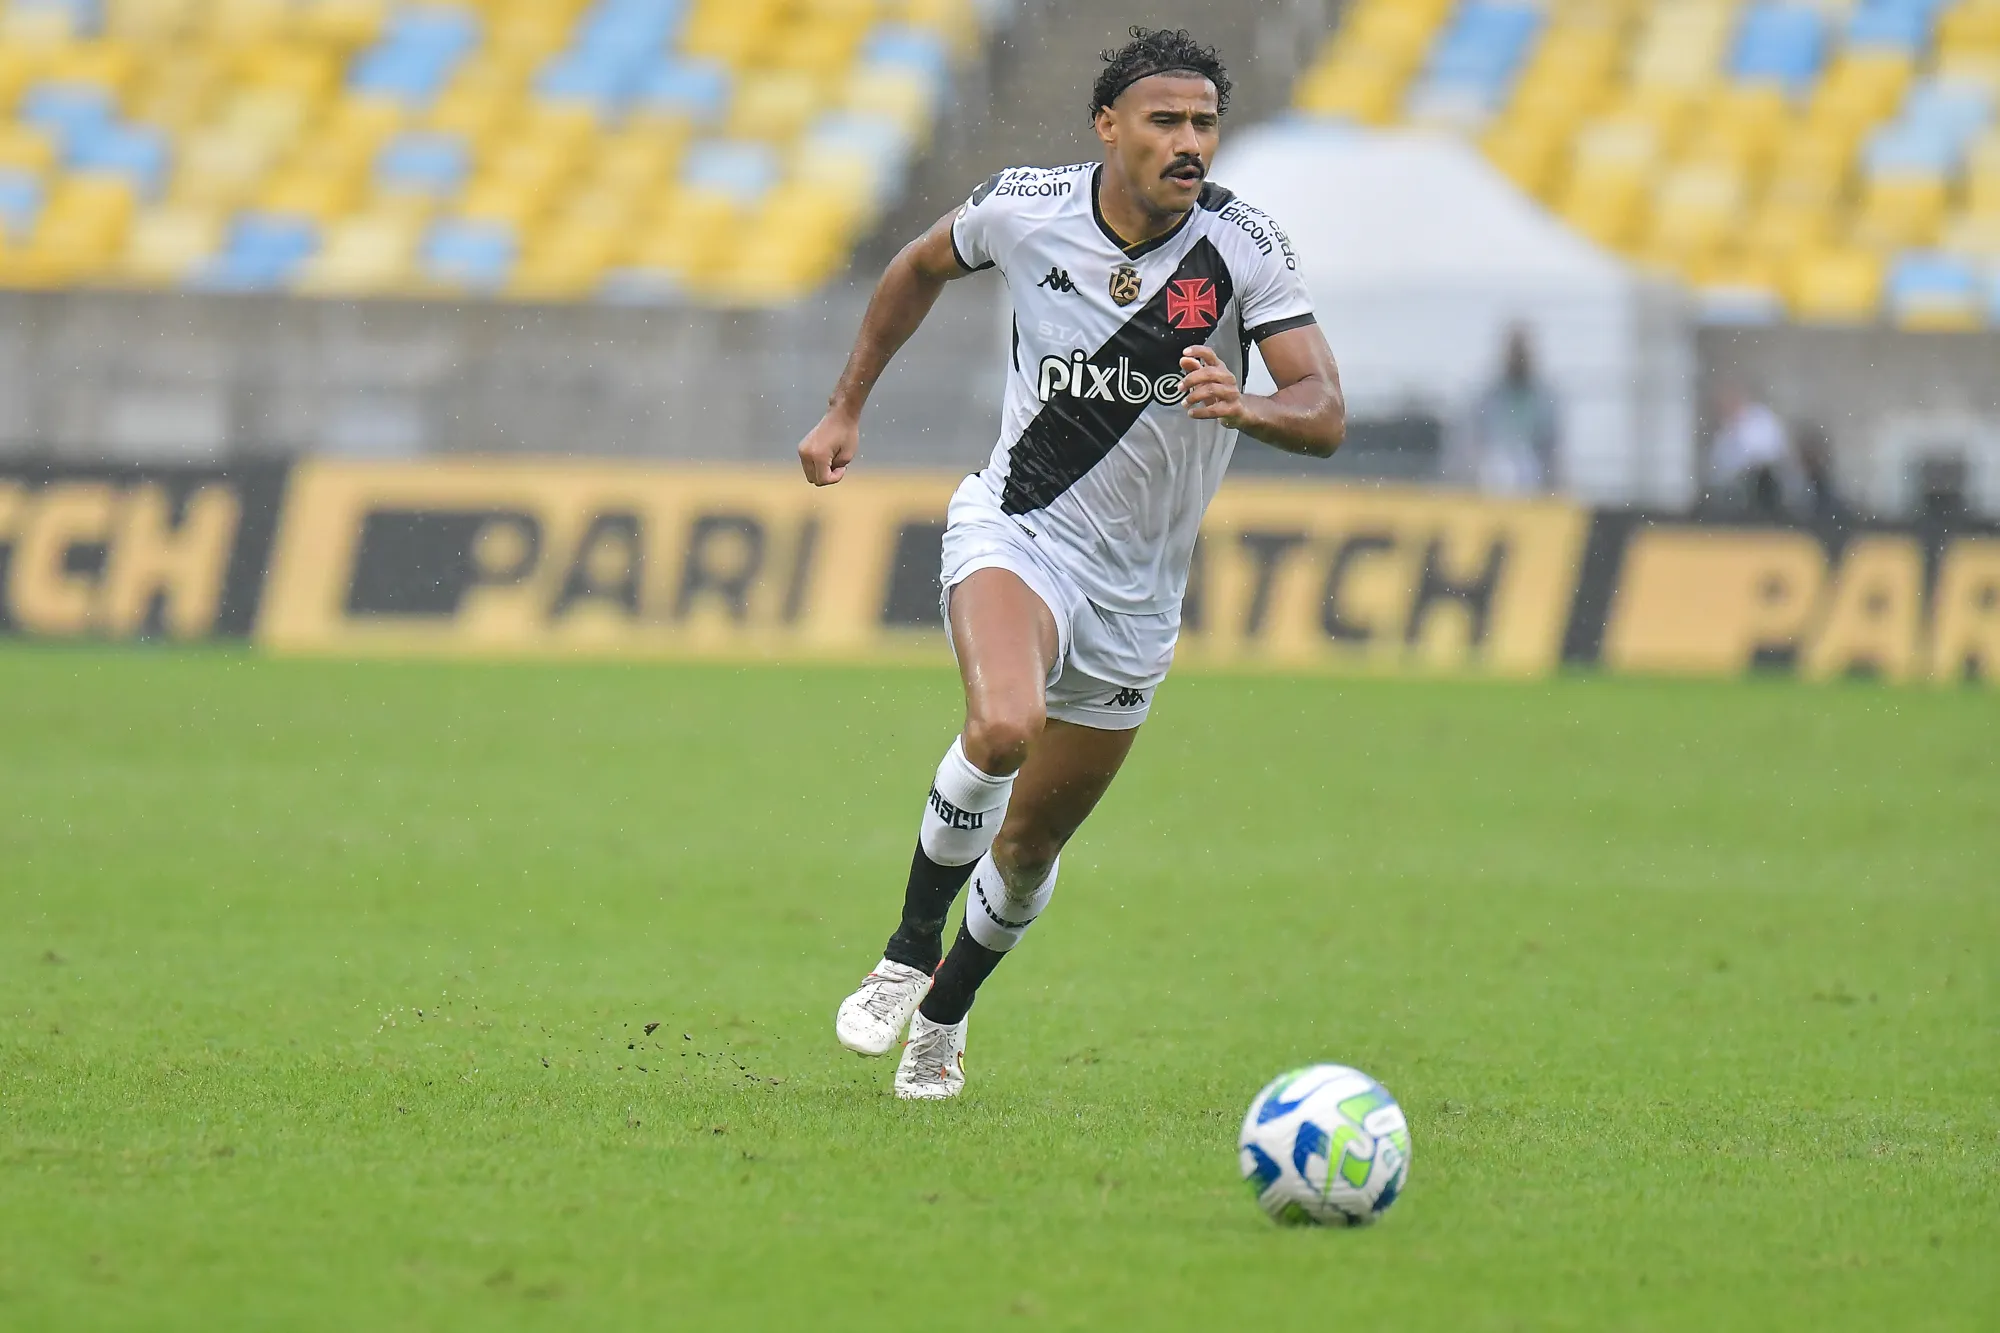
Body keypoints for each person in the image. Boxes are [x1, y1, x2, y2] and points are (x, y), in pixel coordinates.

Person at [795, 27, 1345, 1100]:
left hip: (1139, 597)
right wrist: (845, 404)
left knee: (1031, 846)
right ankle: (906, 949)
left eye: (1202, 125)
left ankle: (945, 1015)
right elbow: (914, 267)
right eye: (1164, 122)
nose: (1188, 144)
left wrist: (1251, 407)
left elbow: (1323, 412)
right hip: (1018, 527)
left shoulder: (1242, 248)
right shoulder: (1024, 207)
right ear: (1108, 126)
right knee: (1001, 724)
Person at [1466, 326, 1561, 494]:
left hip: (1532, 469)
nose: (1518, 358)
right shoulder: (1490, 396)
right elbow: (1476, 440)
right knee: (1499, 468)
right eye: (1514, 352)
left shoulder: (1544, 398)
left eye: (1521, 353)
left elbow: (1552, 447)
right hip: (1494, 468)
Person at [1707, 383, 1807, 518]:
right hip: (1739, 491)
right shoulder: (1725, 433)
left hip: (1766, 485)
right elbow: (1719, 469)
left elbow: (1771, 452)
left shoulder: (1760, 420)